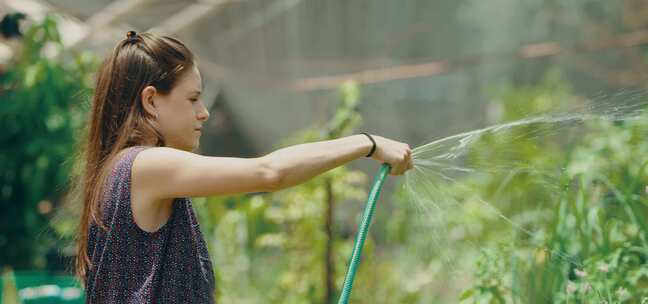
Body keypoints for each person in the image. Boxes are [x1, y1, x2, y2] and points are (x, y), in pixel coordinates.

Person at [72, 30, 413, 303]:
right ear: (150, 101)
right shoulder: (146, 165)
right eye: (192, 99)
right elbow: (270, 173)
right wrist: (366, 143)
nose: (203, 112)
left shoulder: (121, 169)